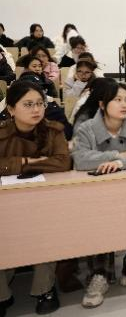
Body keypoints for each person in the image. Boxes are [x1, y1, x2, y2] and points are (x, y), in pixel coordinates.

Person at [72, 82, 126, 308]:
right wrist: (122, 154)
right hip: (96, 193)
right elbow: (80, 159)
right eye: (117, 100)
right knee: (99, 221)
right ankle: (100, 276)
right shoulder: (87, 128)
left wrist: (119, 163)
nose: (124, 104)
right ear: (102, 104)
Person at [0, 81, 72, 315]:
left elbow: (63, 162)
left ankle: (44, 289)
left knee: (45, 230)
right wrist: (26, 161)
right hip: (7, 206)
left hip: (45, 203)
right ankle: (2, 294)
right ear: (11, 109)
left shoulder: (53, 131)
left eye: (40, 103)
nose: (36, 110)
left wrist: (16, 165)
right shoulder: (2, 133)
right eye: (28, 104)